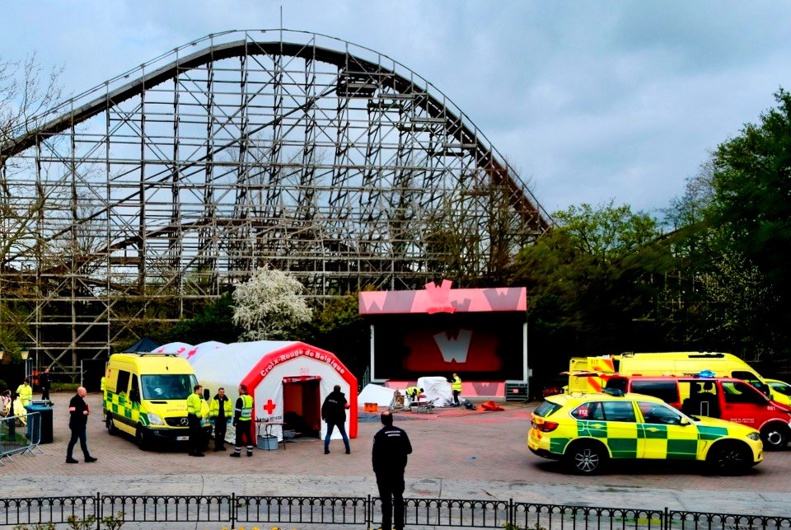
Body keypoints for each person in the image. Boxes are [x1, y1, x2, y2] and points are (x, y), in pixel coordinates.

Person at [372, 410, 412, 530]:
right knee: (398, 499)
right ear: (392, 419)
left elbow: (375, 456)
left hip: (384, 474)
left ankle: (386, 526)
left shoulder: (379, 435)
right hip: (398, 472)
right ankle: (399, 525)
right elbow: (409, 450)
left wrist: (376, 471)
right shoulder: (401, 432)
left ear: (382, 421)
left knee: (386, 501)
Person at [66, 387, 97, 464]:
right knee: (73, 440)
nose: (86, 393)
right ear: (80, 392)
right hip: (76, 425)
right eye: (85, 392)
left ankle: (87, 457)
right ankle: (69, 458)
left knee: (83, 441)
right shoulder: (74, 400)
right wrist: (85, 412)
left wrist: (86, 411)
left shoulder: (81, 400)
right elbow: (72, 412)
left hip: (82, 425)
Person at [321, 384, 351, 455]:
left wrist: (323, 416)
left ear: (333, 389)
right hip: (340, 419)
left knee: (328, 434)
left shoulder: (329, 397)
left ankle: (326, 450)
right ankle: (348, 450)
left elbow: (323, 407)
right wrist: (347, 406)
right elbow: (347, 406)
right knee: (343, 433)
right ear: (340, 390)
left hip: (330, 418)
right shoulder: (342, 397)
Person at [230, 384, 254, 457]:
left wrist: (235, 421)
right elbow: (252, 408)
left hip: (241, 421)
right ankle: (250, 452)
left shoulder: (240, 399)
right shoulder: (251, 398)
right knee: (248, 435)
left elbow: (237, 412)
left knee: (239, 437)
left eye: (239, 388)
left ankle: (237, 452)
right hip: (248, 420)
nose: (238, 390)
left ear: (242, 389)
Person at [209, 387, 232, 451]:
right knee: (217, 433)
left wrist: (229, 418)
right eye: (221, 392)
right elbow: (211, 409)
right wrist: (212, 418)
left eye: (223, 392)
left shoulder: (227, 400)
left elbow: (230, 409)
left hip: (224, 419)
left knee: (223, 433)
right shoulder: (214, 399)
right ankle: (216, 446)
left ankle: (221, 446)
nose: (222, 393)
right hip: (217, 419)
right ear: (218, 392)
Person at [186, 384, 205, 457]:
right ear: (196, 390)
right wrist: (200, 418)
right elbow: (197, 410)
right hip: (195, 417)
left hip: (190, 416)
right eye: (200, 389)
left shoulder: (190, 396)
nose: (201, 391)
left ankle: (191, 450)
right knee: (198, 435)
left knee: (192, 435)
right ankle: (197, 452)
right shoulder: (196, 397)